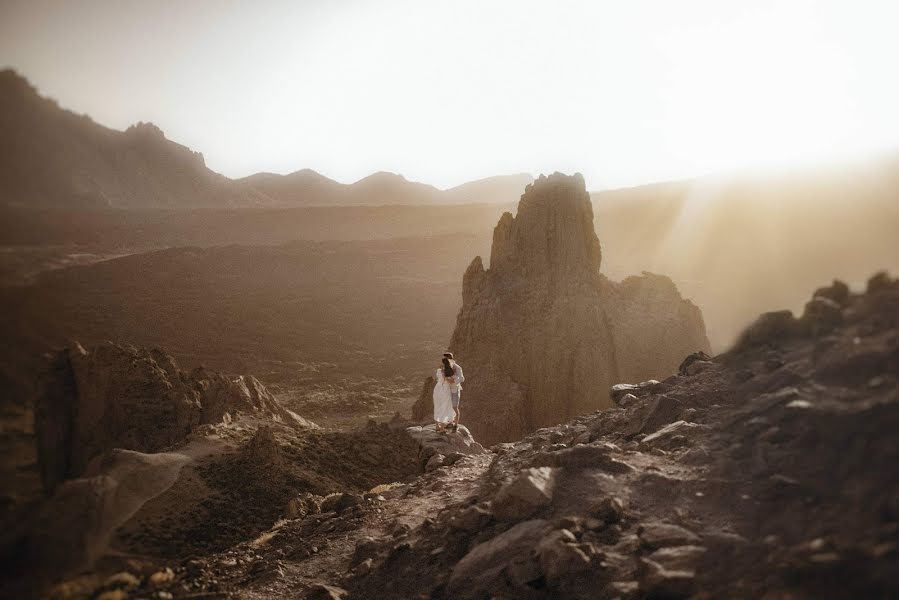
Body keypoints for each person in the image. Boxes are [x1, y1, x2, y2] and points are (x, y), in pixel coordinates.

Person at [442, 351, 464, 432]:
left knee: (455, 407)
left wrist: (453, 381)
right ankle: (450, 422)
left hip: (455, 389)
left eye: (445, 358)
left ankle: (456, 425)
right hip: (447, 390)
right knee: (448, 407)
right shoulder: (445, 367)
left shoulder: (457, 367)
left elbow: (462, 378)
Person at [432, 358, 455, 432]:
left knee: (437, 406)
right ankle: (442, 428)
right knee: (444, 407)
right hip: (445, 389)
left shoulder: (439, 370)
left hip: (437, 388)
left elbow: (439, 378)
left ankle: (437, 426)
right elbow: (450, 381)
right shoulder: (448, 371)